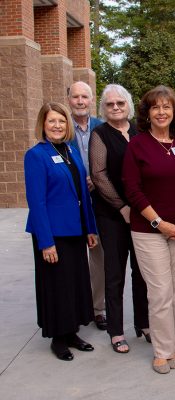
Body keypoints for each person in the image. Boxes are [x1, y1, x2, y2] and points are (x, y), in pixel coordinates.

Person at [122, 85, 175, 374]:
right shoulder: (138, 145)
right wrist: (160, 223)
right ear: (147, 112)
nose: (161, 112)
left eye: (166, 107)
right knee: (159, 292)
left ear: (174, 111)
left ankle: (173, 345)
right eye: (155, 107)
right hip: (148, 229)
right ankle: (161, 350)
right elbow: (132, 189)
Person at [24, 102, 98, 361]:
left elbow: (82, 193)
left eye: (62, 121)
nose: (57, 126)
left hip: (75, 230)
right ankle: (58, 338)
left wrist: (90, 228)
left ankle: (72, 332)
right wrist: (46, 242)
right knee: (56, 285)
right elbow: (37, 201)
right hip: (52, 234)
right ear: (43, 125)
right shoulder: (36, 155)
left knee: (75, 283)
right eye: (52, 121)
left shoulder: (71, 151)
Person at [89, 84, 150, 354]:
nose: (115, 107)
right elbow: (99, 174)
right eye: (110, 104)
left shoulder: (140, 131)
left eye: (120, 103)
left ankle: (144, 324)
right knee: (115, 273)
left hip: (142, 214)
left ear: (128, 105)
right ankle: (116, 330)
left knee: (143, 271)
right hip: (112, 215)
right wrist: (123, 207)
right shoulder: (100, 134)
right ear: (104, 108)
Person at [68, 81, 107, 331]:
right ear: (69, 99)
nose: (80, 101)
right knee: (71, 257)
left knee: (99, 257)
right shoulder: (61, 127)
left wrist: (97, 178)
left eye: (85, 96)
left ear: (91, 100)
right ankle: (73, 307)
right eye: (75, 97)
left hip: (99, 200)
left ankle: (98, 309)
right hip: (70, 201)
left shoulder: (100, 127)